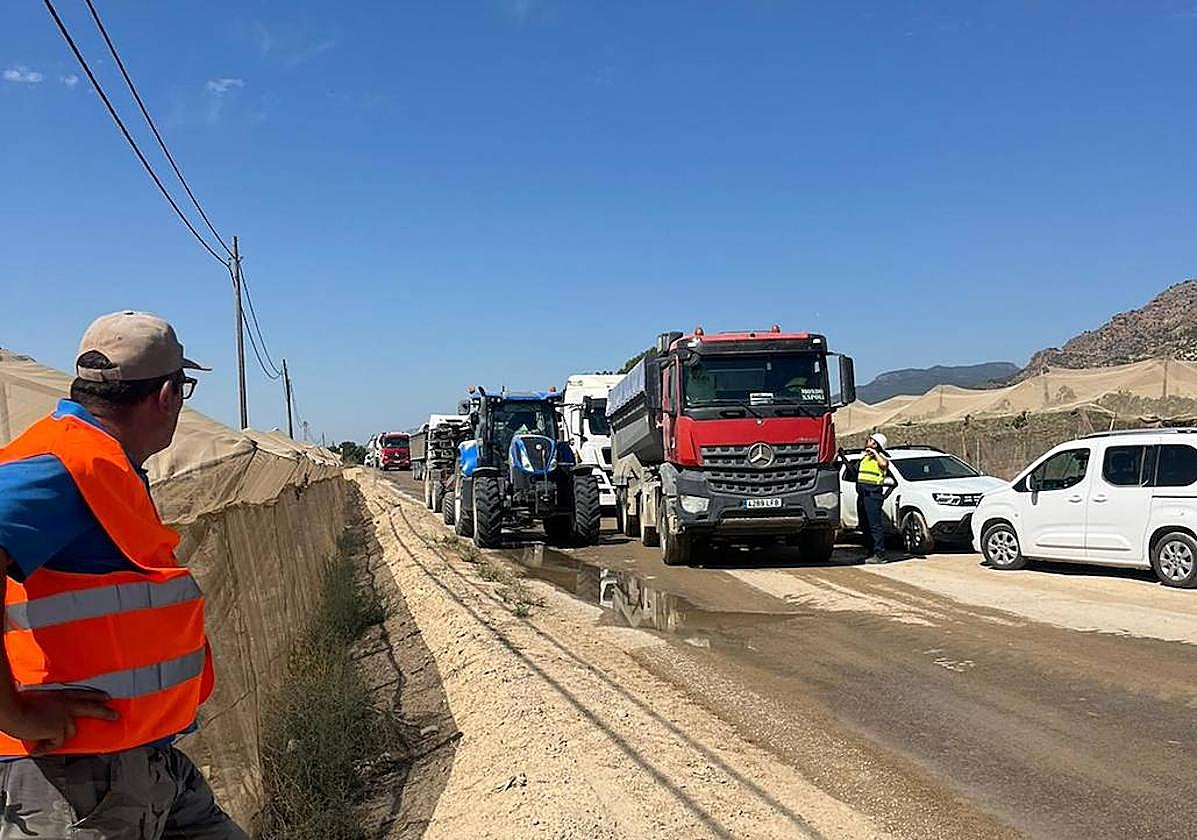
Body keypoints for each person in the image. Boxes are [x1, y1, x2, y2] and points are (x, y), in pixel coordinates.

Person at [0, 311, 247, 839]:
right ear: (167, 395)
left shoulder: (104, 466)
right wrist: (14, 713)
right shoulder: (65, 465)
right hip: (70, 779)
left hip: (140, 760)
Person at [856, 432, 891, 564]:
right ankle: (870, 552)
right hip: (862, 495)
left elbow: (884, 464)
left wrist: (875, 453)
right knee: (865, 525)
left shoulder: (881, 457)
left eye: (870, 440)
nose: (867, 442)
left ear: (876, 444)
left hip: (873, 495)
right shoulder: (865, 458)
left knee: (875, 526)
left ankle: (880, 554)